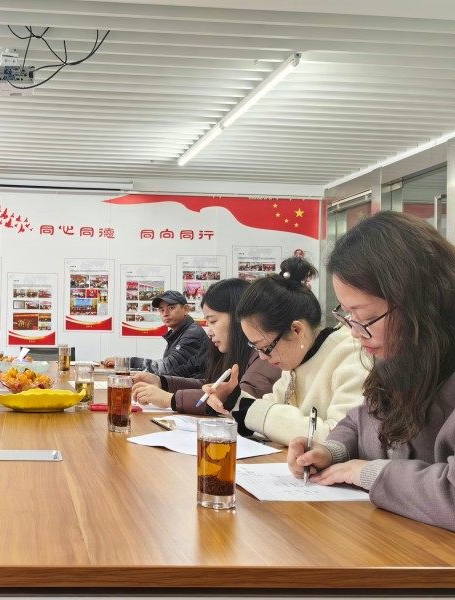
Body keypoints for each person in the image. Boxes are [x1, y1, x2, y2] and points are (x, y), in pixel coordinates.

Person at [288, 212, 455, 532]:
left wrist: (366, 473)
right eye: (347, 315)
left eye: (364, 317)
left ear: (421, 302)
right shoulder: (403, 355)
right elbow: (362, 418)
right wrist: (332, 452)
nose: (354, 332)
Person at [206, 257, 369, 447]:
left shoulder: (352, 353)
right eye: (256, 348)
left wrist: (248, 409)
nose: (262, 356)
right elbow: (268, 412)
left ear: (297, 330)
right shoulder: (297, 359)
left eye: (265, 347)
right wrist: (232, 399)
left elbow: (338, 439)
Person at [132, 279, 281, 414]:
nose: (209, 332)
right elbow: (212, 386)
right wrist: (162, 382)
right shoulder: (231, 350)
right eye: (161, 310)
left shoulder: (265, 355)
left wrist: (170, 399)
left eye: (213, 321)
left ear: (240, 317)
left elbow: (242, 399)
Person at [103, 290, 208, 379]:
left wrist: (125, 362)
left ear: (186, 309)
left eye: (171, 308)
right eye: (162, 310)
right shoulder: (179, 332)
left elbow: (166, 368)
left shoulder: (192, 334)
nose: (165, 313)